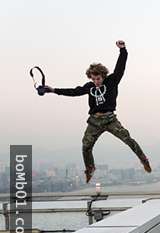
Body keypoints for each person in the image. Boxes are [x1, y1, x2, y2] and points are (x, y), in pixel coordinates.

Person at [44, 40, 151, 183]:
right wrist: (53, 90)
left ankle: (143, 159)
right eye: (93, 79)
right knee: (86, 145)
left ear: (103, 76)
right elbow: (74, 92)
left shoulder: (112, 81)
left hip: (110, 119)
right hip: (95, 121)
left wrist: (123, 50)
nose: (96, 82)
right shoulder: (89, 87)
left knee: (128, 139)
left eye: (98, 78)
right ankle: (90, 168)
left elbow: (120, 68)